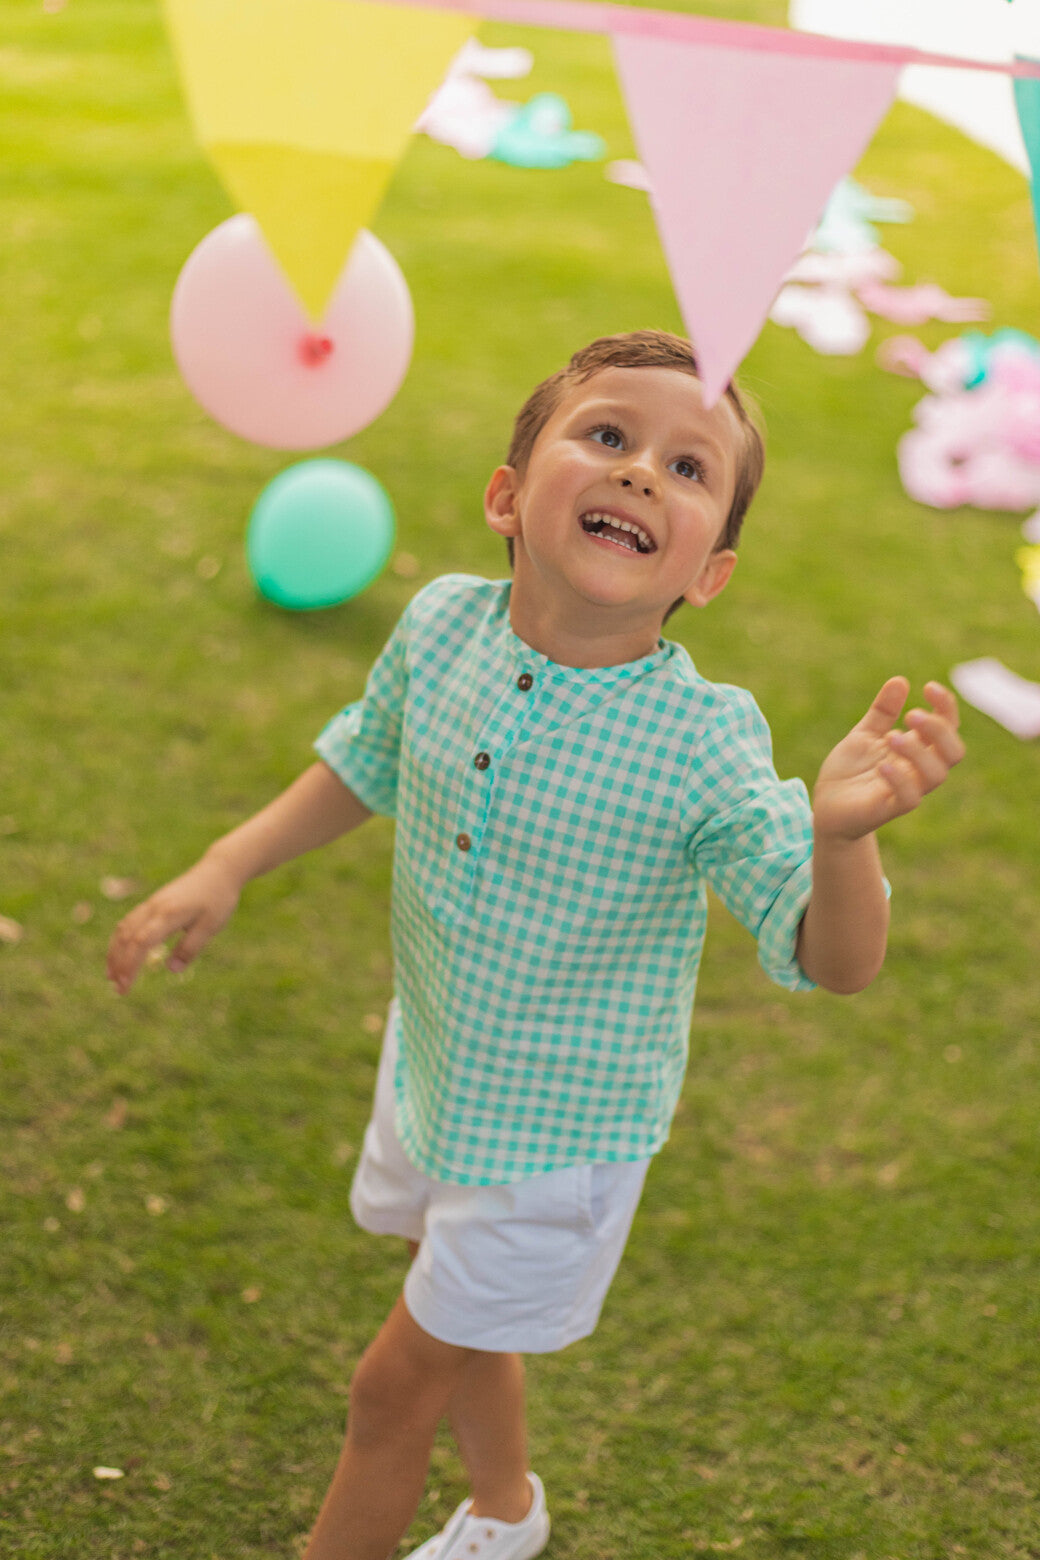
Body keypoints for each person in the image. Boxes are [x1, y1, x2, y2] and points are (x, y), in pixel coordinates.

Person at [106, 330, 965, 1560]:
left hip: (558, 1142)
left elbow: (835, 961)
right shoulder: (442, 624)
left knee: (392, 1385)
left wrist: (839, 841)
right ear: (509, 494)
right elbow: (366, 759)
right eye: (606, 437)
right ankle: (506, 1511)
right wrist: (225, 864)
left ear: (708, 572)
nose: (636, 476)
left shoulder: (701, 741)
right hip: (438, 1067)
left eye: (685, 465)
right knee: (445, 1303)